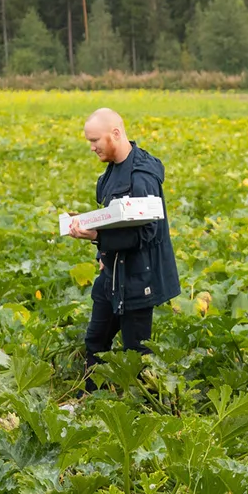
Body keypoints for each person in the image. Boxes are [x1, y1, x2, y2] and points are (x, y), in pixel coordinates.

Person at [67, 108, 180, 389]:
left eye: (95, 140)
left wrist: (96, 236)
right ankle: (91, 399)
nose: (92, 147)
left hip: (139, 278)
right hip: (112, 274)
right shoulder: (110, 174)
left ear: (115, 134)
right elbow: (112, 219)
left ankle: (146, 410)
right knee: (96, 340)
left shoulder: (141, 176)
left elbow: (148, 231)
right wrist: (100, 250)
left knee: (135, 354)